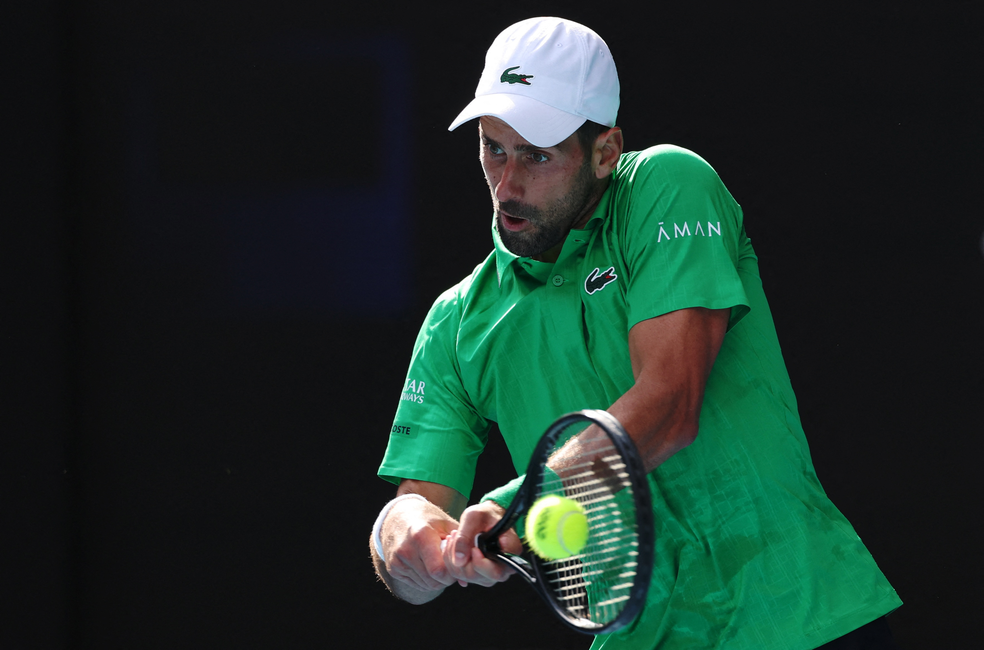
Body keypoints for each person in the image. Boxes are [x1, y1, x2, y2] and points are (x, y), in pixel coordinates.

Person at [369, 16, 902, 649]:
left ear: (605, 153)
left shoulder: (667, 187)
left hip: (798, 618)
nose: (507, 185)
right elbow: (420, 510)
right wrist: (404, 540)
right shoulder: (454, 323)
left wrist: (521, 501)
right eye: (493, 147)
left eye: (537, 155)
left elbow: (671, 407)